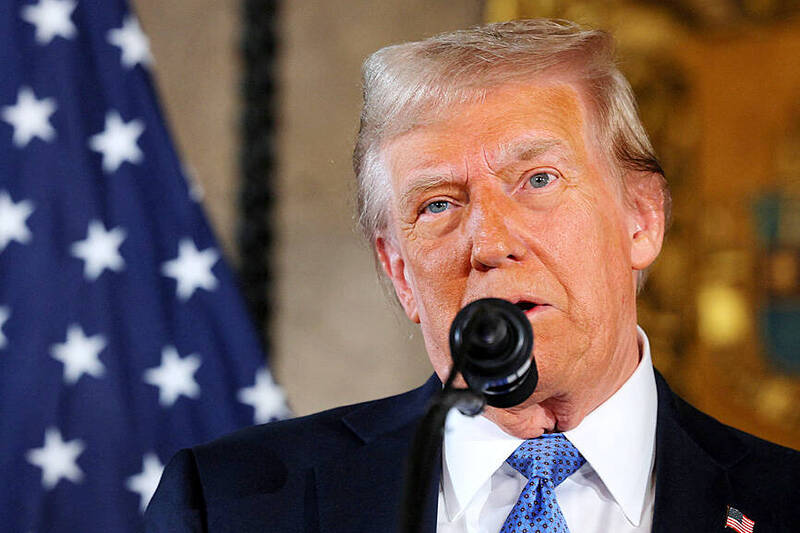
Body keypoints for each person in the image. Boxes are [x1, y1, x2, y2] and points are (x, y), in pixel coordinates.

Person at [145, 19, 800, 533]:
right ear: (400, 273)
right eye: (438, 204)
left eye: (538, 179)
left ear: (641, 218)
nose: (490, 241)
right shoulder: (231, 506)